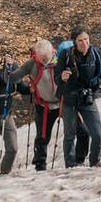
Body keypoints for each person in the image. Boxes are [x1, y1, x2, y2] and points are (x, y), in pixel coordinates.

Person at [56, 28, 101, 167]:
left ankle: (94, 161)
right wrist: (62, 77)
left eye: (86, 39)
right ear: (74, 42)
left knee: (97, 133)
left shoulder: (95, 53)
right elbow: (57, 77)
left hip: (87, 97)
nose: (85, 43)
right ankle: (70, 165)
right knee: (70, 134)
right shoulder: (66, 55)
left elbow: (100, 73)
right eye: (80, 40)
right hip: (69, 98)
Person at [12, 39, 64, 170]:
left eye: (48, 57)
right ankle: (40, 166)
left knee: (75, 130)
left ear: (52, 51)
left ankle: (75, 161)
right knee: (42, 136)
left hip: (63, 103)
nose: (46, 60)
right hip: (44, 106)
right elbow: (13, 78)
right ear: (36, 55)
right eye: (42, 58)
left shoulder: (61, 60)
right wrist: (11, 69)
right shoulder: (31, 64)